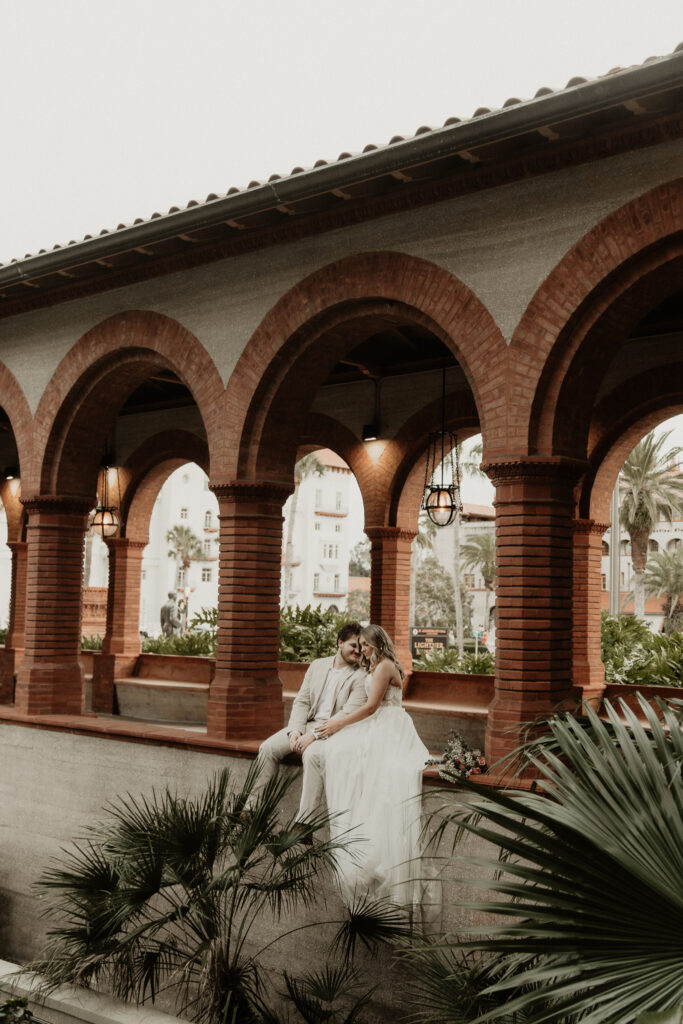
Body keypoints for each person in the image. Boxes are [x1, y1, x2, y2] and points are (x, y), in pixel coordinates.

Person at [315, 624, 432, 913]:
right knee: (341, 754)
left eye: (365, 645)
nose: (362, 650)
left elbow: (370, 707)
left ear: (377, 643)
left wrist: (338, 723)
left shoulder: (384, 667)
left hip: (389, 727)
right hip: (378, 725)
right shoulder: (376, 666)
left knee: (369, 770)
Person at [250, 622, 368, 819]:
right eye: (353, 646)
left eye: (361, 647)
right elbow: (302, 701)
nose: (358, 651)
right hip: (306, 724)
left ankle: (304, 824)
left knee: (311, 755)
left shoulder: (361, 675)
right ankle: (252, 810)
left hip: (335, 730)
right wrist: (296, 731)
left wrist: (312, 736)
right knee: (267, 748)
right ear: (340, 643)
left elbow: (346, 714)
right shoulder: (318, 665)